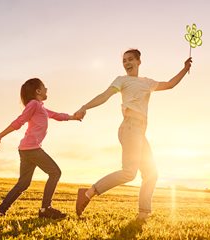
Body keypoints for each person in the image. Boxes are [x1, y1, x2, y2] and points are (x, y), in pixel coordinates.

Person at [74, 49, 192, 220]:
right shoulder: (121, 80)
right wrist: (84, 107)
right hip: (129, 127)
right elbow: (104, 96)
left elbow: (170, 84)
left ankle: (143, 215)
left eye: (130, 59)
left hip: (139, 131)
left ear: (139, 61)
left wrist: (184, 68)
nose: (127, 63)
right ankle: (88, 193)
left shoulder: (147, 83)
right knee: (129, 172)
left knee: (151, 173)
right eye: (124, 60)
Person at [0, 78, 82, 219]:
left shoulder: (41, 107)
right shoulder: (34, 104)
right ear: (38, 91)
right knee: (55, 172)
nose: (47, 89)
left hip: (26, 149)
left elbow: (57, 115)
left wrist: (73, 117)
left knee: (23, 183)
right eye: (44, 87)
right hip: (32, 149)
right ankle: (45, 209)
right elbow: (19, 121)